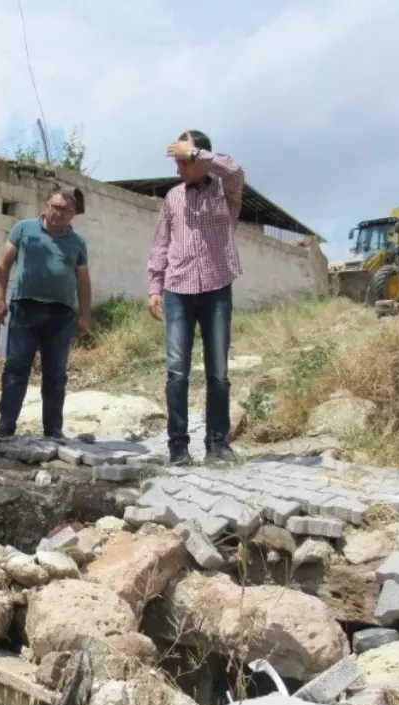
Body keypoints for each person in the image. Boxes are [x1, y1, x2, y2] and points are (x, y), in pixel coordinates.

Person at [146, 130, 244, 465]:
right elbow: (161, 243)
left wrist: (197, 153)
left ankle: (218, 445)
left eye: (182, 162)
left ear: (198, 158)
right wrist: (154, 287)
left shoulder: (224, 189)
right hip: (178, 291)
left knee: (218, 372)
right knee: (176, 371)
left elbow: (236, 171)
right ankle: (177, 447)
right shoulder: (172, 197)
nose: (178, 171)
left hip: (217, 288)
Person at [0, 187, 91, 442]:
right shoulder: (23, 229)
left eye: (65, 210)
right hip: (25, 309)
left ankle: (53, 429)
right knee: (16, 368)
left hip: (61, 315)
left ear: (73, 214)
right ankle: (5, 426)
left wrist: (85, 315)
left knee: (56, 374)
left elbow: (83, 279)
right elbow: (3, 265)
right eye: (55, 207)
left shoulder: (77, 242)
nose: (58, 213)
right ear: (47, 205)